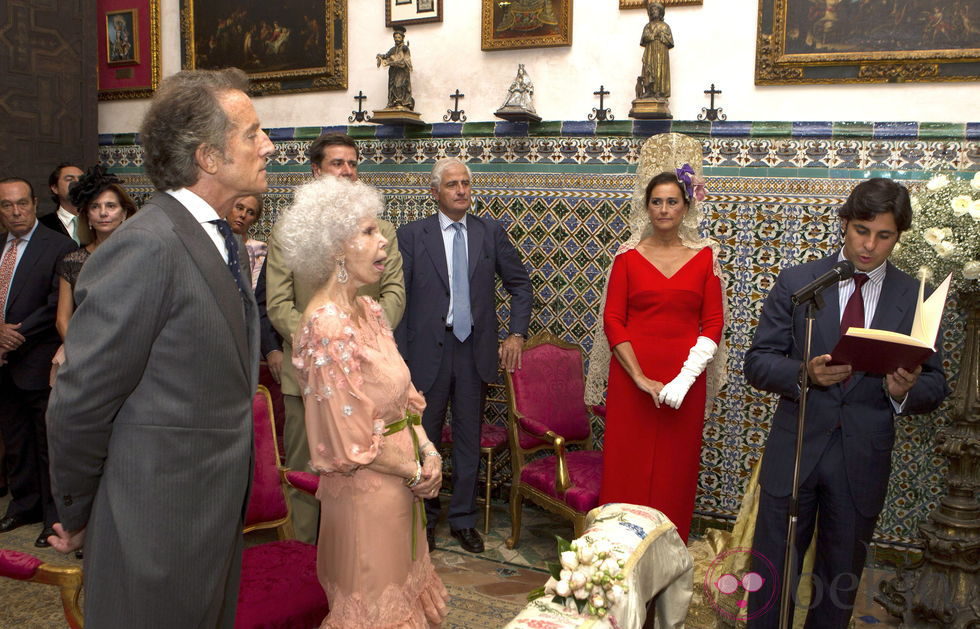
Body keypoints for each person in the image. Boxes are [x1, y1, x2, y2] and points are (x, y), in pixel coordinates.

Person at [46, 68, 274, 628]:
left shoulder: (218, 238)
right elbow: (81, 401)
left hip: (210, 520)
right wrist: (78, 510)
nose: (268, 145)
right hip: (155, 528)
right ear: (208, 157)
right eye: (252, 133)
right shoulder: (146, 247)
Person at [743, 178, 950, 629]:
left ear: (899, 236)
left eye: (884, 236)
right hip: (795, 450)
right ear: (843, 223)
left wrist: (904, 392)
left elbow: (936, 384)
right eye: (861, 230)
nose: (869, 246)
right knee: (771, 576)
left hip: (861, 459)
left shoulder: (913, 296)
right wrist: (805, 373)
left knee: (838, 582)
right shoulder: (799, 282)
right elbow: (757, 362)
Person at [277, 175, 448, 628]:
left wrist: (428, 452)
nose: (383, 243)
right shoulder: (327, 326)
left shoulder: (369, 312)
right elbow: (349, 442)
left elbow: (405, 400)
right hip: (365, 496)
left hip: (401, 487)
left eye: (380, 231)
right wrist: (415, 471)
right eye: (369, 232)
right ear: (334, 248)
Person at [266, 132, 405, 544]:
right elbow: (278, 303)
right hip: (309, 378)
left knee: (367, 479)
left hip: (372, 380)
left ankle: (355, 565)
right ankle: (303, 565)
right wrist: (324, 348)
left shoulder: (381, 230)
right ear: (315, 171)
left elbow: (394, 291)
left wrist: (367, 346)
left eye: (352, 163)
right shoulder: (290, 231)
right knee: (309, 475)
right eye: (336, 164)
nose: (346, 171)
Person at [396, 157, 532, 554]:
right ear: (434, 192)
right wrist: (399, 359)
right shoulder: (411, 235)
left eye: (466, 183)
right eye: (453, 184)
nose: (461, 190)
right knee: (425, 440)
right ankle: (423, 520)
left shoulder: (490, 232)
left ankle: (462, 521)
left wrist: (516, 333)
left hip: (474, 351)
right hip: (425, 355)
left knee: (469, 441)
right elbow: (398, 299)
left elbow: (519, 285)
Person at [596, 166, 723, 544]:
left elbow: (714, 322)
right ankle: (615, 555)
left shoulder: (705, 258)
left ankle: (666, 556)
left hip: (684, 384)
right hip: (632, 381)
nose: (664, 209)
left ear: (686, 207)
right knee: (627, 468)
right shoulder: (627, 257)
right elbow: (613, 320)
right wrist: (639, 377)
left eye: (672, 202)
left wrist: (685, 378)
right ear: (646, 207)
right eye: (657, 202)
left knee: (674, 471)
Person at [0, 177, 76, 548]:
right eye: (7, 205)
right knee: (15, 440)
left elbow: (55, 303)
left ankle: (53, 518)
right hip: (3, 364)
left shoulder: (58, 246)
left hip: (37, 360)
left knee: (48, 444)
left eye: (21, 204)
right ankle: (24, 505)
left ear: (33, 204)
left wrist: (13, 335)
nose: (15, 212)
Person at [54, 165, 137, 341]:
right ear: (88, 216)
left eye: (111, 206)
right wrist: (79, 353)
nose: (103, 213)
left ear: (124, 213)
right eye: (95, 207)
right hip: (84, 349)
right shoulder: (72, 262)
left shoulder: (140, 256)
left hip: (131, 348)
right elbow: (62, 321)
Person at [228, 193, 267, 289]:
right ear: (228, 208)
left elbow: (255, 288)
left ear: (255, 219)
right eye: (239, 208)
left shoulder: (259, 249)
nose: (243, 215)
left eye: (250, 212)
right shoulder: (213, 241)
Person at [39, 163, 85, 244]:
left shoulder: (97, 220)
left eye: (81, 179)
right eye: (69, 179)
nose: (77, 183)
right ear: (55, 188)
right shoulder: (42, 226)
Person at [637, 1, 673, 99]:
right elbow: (643, 39)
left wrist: (661, 36)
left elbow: (670, 41)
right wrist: (652, 36)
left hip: (661, 51)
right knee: (648, 69)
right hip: (650, 50)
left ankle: (659, 91)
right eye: (651, 10)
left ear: (660, 12)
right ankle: (649, 91)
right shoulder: (647, 26)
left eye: (655, 9)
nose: (653, 11)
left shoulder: (665, 26)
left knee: (659, 70)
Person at [376, 25, 414, 110]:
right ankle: (392, 102)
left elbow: (404, 60)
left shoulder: (404, 48)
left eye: (399, 37)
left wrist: (392, 61)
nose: (397, 39)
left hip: (402, 71)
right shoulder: (393, 49)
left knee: (398, 85)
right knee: (392, 86)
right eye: (395, 37)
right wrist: (380, 56)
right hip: (394, 71)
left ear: (402, 38)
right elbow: (386, 55)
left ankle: (400, 101)